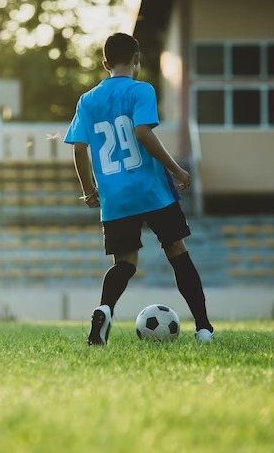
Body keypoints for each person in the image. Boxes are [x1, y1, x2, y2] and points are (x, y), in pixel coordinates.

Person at [63, 32, 215, 346]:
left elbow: (78, 149)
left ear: (104, 63)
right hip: (152, 190)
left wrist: (89, 190)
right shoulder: (141, 90)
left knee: (125, 263)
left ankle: (105, 308)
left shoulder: (87, 100)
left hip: (116, 198)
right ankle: (203, 328)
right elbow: (143, 132)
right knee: (177, 252)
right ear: (137, 59)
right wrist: (176, 169)